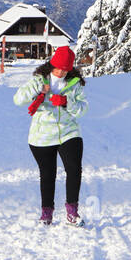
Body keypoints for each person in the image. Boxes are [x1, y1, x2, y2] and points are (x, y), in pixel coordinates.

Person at [12, 45, 88, 225]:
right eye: (59, 68)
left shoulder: (74, 83)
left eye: (66, 69)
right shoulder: (39, 80)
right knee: (47, 174)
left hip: (69, 131)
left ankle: (72, 212)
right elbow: (18, 99)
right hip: (43, 135)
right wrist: (37, 91)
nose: (62, 72)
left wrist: (66, 102)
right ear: (52, 64)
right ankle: (47, 212)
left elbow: (82, 110)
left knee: (74, 169)